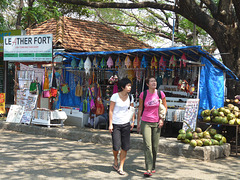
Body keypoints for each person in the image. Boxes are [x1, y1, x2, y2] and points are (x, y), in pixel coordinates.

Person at [137, 76, 167, 177]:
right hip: (145, 121)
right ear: (147, 84)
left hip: (157, 122)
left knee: (155, 147)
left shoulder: (160, 94)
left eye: (155, 81)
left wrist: (162, 119)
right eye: (152, 81)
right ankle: (148, 168)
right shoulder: (143, 94)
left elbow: (164, 107)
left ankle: (153, 165)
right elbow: (140, 109)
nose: (154, 83)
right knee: (148, 145)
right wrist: (138, 123)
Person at [109, 78, 135, 175]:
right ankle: (115, 159)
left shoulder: (130, 97)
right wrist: (110, 124)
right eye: (128, 85)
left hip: (126, 124)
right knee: (116, 146)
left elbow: (132, 109)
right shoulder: (115, 96)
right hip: (116, 124)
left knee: (125, 147)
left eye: (130, 85)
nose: (129, 87)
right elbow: (111, 110)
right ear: (122, 87)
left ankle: (121, 166)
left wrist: (133, 121)